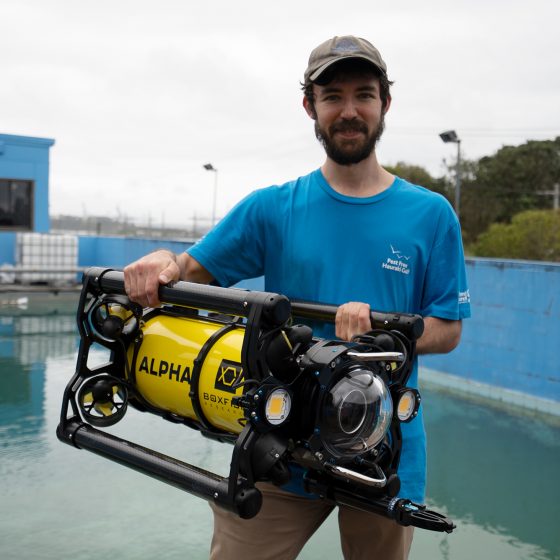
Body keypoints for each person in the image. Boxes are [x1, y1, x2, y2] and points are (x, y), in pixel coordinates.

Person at [124, 35, 471, 560]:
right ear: (310, 106)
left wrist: (386, 332)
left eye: (364, 94)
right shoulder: (272, 208)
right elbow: (189, 269)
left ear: (385, 104)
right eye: (332, 95)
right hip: (278, 438)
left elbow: (447, 328)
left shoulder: (431, 215)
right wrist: (159, 259)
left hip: (382, 450)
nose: (349, 110)